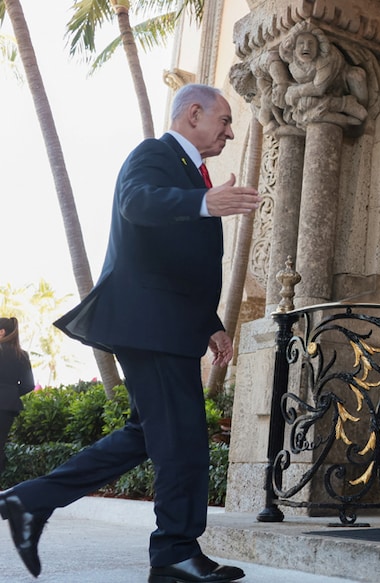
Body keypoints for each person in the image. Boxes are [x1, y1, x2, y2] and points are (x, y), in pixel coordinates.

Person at [0, 84, 261, 583]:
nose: (230, 131)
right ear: (193, 114)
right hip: (151, 325)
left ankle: (28, 500)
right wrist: (205, 201)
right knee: (183, 439)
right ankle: (175, 554)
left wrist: (211, 324)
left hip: (167, 323)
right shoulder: (154, 155)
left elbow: (175, 261)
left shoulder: (189, 173)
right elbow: (138, 203)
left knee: (148, 434)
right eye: (225, 121)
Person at [0, 317, 35, 478]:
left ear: (2, 332)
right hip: (7, 407)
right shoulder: (22, 355)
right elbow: (28, 385)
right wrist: (10, 393)